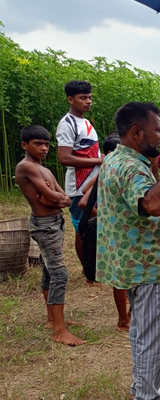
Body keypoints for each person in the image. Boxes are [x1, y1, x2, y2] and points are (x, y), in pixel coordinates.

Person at [96, 102, 160, 400]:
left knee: (143, 334)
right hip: (151, 269)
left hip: (137, 265)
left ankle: (145, 389)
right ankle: (146, 396)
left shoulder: (117, 159)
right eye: (158, 130)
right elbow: (152, 204)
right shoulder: (127, 166)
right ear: (137, 132)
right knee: (156, 339)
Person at [16, 125, 85, 346]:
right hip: (45, 225)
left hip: (55, 222)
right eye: (38, 143)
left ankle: (51, 319)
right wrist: (55, 199)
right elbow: (55, 199)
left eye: (46, 144)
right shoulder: (26, 167)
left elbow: (64, 199)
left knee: (48, 270)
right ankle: (59, 330)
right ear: (25, 145)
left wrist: (57, 199)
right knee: (59, 274)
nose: (44, 148)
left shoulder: (43, 169)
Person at [77, 132, 131, 332]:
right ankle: (123, 319)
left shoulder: (108, 171)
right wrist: (106, 216)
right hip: (117, 231)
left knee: (124, 276)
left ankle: (127, 315)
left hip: (120, 230)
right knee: (121, 277)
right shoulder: (109, 171)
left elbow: (84, 193)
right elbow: (84, 200)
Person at [55, 80, 103, 268]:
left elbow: (88, 152)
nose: (88, 101)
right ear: (70, 99)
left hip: (92, 185)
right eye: (83, 98)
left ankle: (94, 267)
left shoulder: (86, 122)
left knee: (93, 226)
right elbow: (65, 158)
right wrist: (99, 161)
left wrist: (102, 158)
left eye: (90, 97)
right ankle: (87, 270)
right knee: (82, 229)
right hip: (78, 188)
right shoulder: (67, 124)